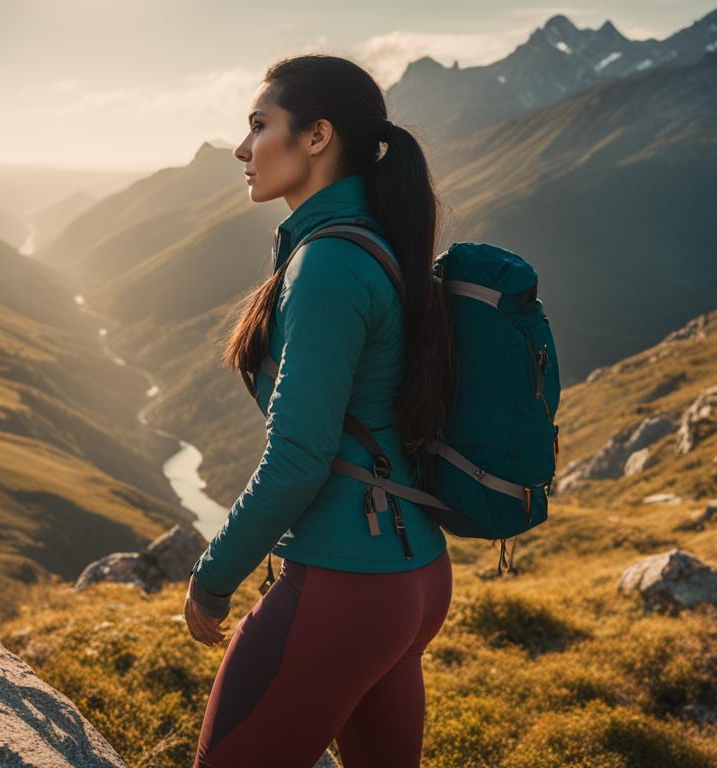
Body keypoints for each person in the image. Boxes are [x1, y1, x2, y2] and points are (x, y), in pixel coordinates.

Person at [182, 54, 457, 768]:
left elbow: (299, 457)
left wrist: (212, 580)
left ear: (316, 136)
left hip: (347, 583)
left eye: (259, 125)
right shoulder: (374, 239)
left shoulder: (328, 263)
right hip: (415, 573)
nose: (243, 149)